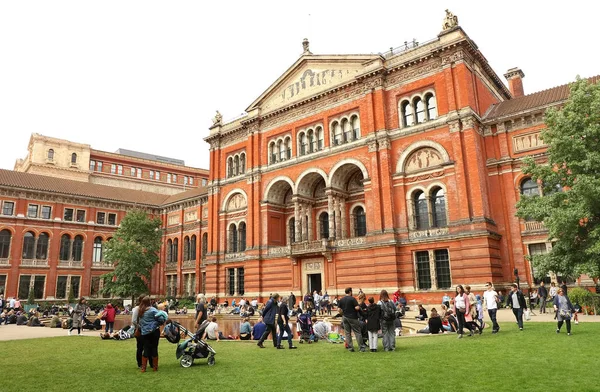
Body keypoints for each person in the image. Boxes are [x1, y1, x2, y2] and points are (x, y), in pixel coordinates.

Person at [138, 296, 168, 372]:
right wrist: (157, 323)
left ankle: (143, 368)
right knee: (154, 348)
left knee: (146, 348)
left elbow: (140, 322)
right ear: (149, 302)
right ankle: (155, 367)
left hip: (144, 332)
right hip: (154, 332)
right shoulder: (153, 310)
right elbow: (161, 319)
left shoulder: (140, 310)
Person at [339, 287, 365, 352]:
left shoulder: (341, 299)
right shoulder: (352, 299)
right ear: (350, 292)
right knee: (357, 332)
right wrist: (359, 307)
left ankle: (350, 348)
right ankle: (361, 348)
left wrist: (343, 314)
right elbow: (356, 308)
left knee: (347, 333)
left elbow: (339, 310)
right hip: (353, 317)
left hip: (344, 317)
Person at [131, 294, 145, 369]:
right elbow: (133, 320)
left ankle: (144, 362)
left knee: (145, 346)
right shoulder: (137, 308)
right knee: (140, 347)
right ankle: (140, 363)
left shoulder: (146, 308)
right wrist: (139, 327)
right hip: (139, 330)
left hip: (145, 330)